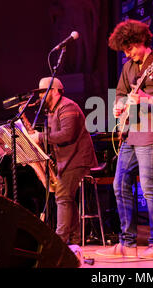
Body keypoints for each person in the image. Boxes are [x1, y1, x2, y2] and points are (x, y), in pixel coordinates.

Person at [97, 19, 153, 259]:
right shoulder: (128, 68)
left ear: (142, 41)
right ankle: (127, 242)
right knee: (118, 184)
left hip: (152, 132)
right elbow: (120, 96)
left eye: (130, 48)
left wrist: (146, 98)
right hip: (130, 133)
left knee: (148, 187)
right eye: (124, 49)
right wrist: (118, 107)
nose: (127, 53)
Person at [29, 77, 98, 245]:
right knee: (65, 197)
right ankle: (74, 240)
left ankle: (59, 241)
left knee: (62, 197)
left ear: (54, 91)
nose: (40, 97)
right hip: (66, 160)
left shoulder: (67, 106)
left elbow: (67, 135)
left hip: (78, 159)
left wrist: (40, 137)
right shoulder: (52, 110)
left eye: (42, 92)